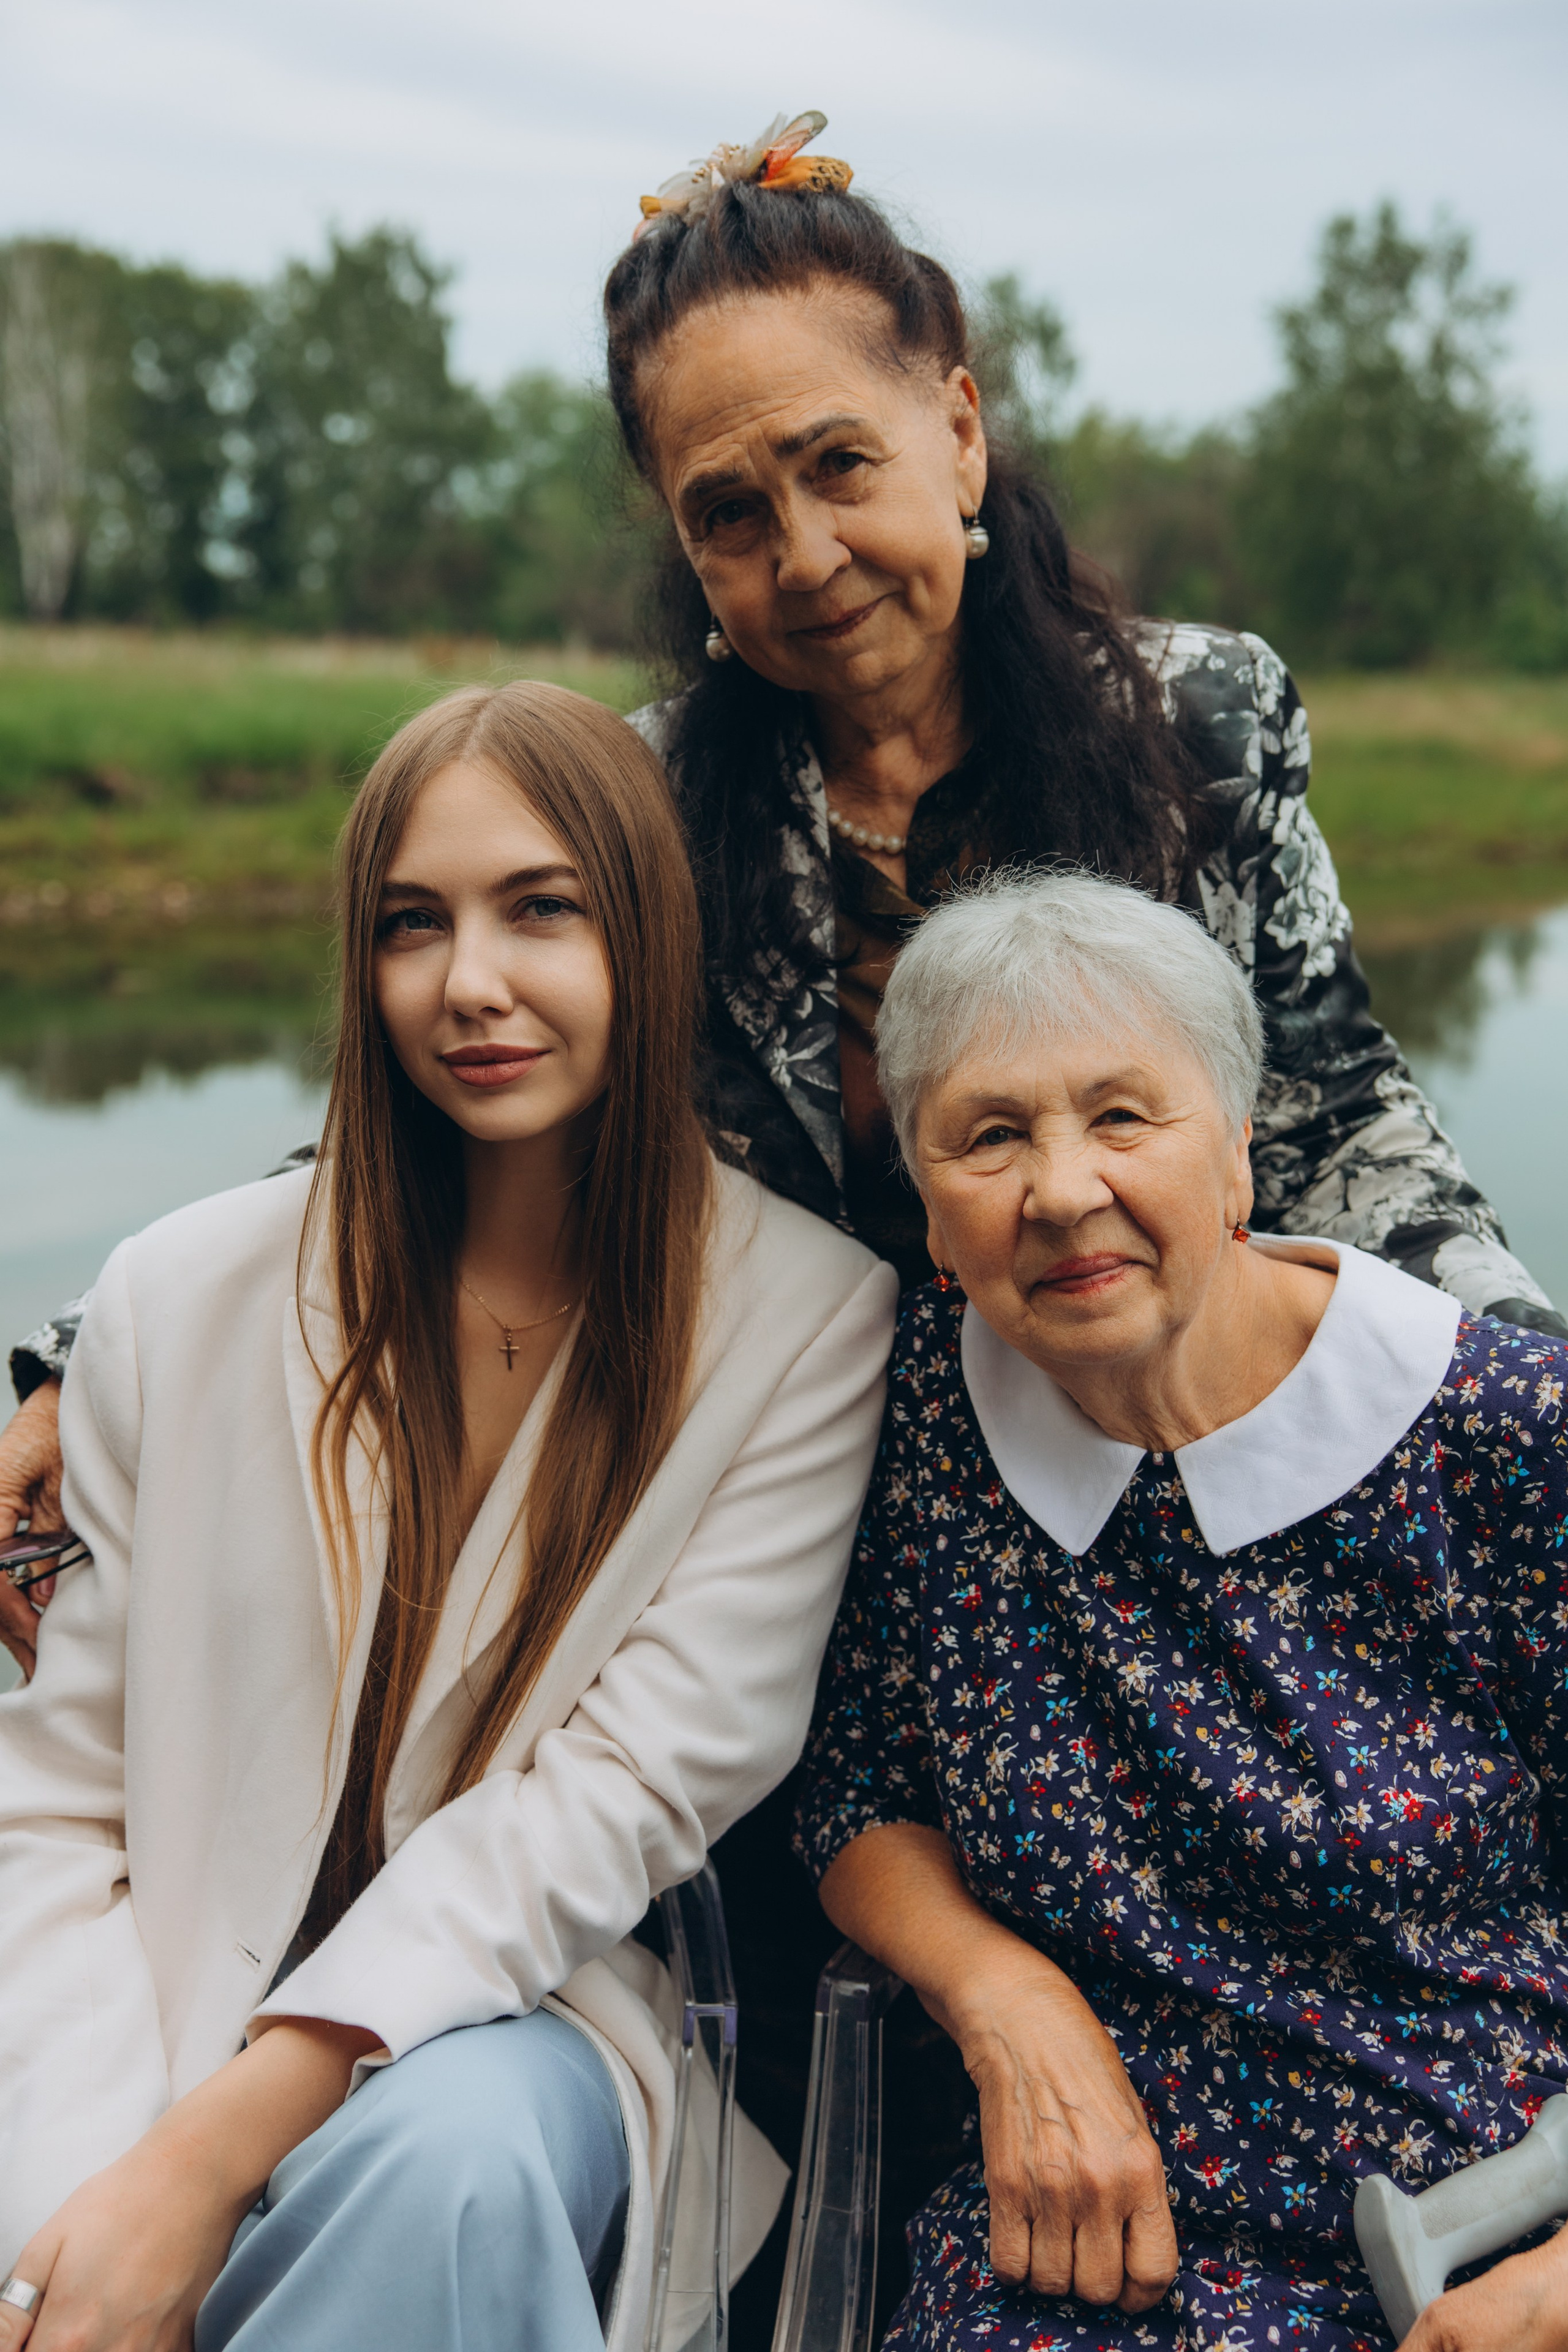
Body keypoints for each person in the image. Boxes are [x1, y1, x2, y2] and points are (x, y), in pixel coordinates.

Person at [2, 104, 1561, 2316]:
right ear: (683, 543)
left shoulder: (1200, 717)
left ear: (960, 431)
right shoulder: (657, 796)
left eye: (842, 466)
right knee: (851, 2039)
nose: (805, 551)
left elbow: (1339, 1097)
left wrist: (1510, 1390)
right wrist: (82, 1362)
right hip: (841, 1499)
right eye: (729, 513)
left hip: (1135, 1458)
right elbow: (442, 1102)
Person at [0, 681, 896, 2352]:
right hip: (138, 2010)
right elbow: (54, 1811)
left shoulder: (809, 1323)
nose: (468, 981)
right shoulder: (174, 1293)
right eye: (413, 922)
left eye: (540, 909)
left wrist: (213, 2157)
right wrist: (96, 2195)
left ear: (645, 933)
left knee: (447, 2168)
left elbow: (626, 1790)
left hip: (522, 2015)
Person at [796, 867, 1568, 2352]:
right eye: (988, 1137)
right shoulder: (921, 1419)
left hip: (1496, 2232)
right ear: (930, 1214)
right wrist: (1004, 1998)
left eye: (1121, 1117)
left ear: (1234, 1155)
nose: (1060, 1189)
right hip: (1086, 2253)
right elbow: (858, 1787)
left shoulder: (1505, 1437)